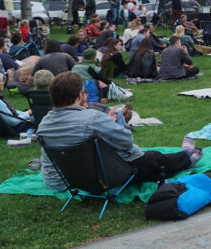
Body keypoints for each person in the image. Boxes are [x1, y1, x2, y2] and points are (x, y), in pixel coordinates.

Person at [37, 72, 201, 189]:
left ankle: (185, 158)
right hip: (104, 179)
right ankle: (186, 157)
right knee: (152, 158)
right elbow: (126, 142)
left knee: (146, 164)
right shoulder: (92, 118)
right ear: (79, 95)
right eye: (84, 92)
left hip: (69, 180)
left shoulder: (44, 125)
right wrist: (115, 121)